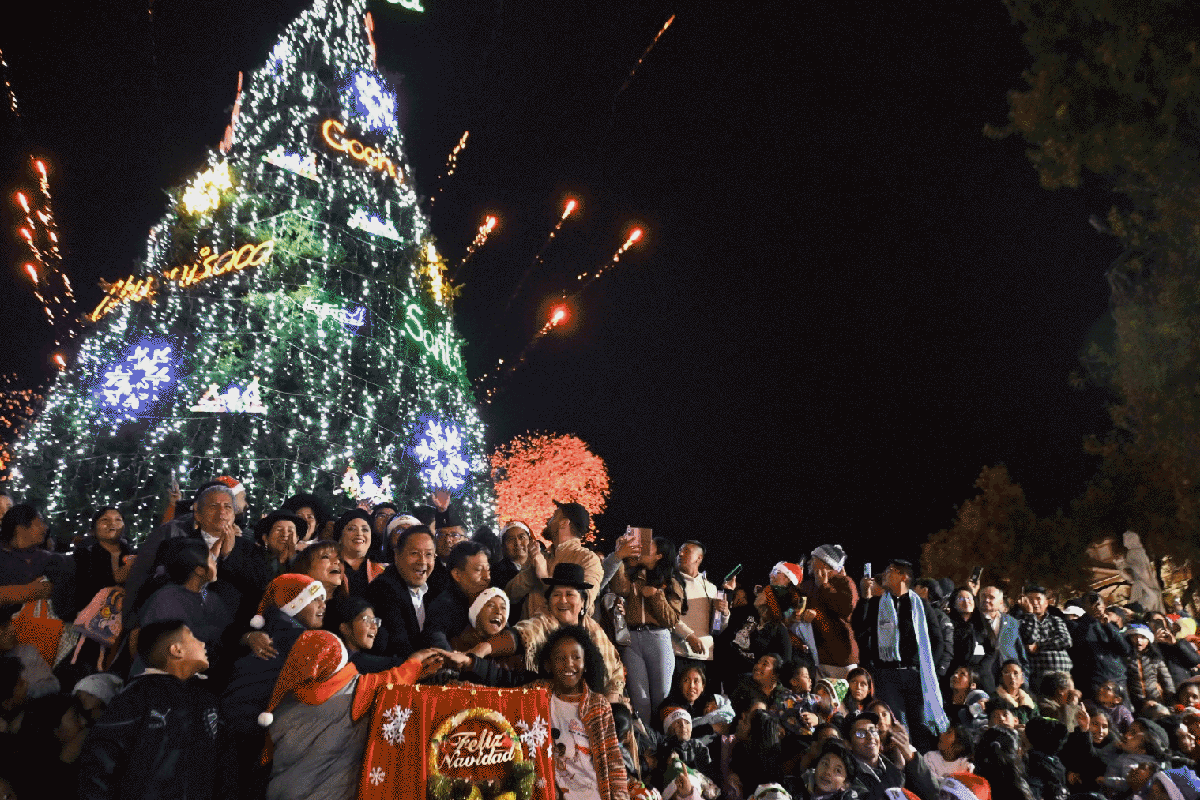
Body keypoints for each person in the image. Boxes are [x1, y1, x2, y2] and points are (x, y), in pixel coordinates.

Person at [258, 629, 445, 800]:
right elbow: (392, 680)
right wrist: (415, 662)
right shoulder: (354, 692)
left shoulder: (282, 700)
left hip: (280, 792)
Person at [77, 619, 233, 799]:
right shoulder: (136, 697)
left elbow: (225, 770)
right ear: (176, 650)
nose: (203, 643)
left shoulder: (208, 703)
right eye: (193, 638)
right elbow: (101, 763)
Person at [468, 563, 626, 698]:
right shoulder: (543, 621)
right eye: (557, 594)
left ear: (583, 601)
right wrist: (484, 648)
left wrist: (612, 698)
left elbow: (615, 667)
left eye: (570, 594)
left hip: (595, 703)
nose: (563, 600)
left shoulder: (595, 630)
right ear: (549, 601)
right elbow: (521, 635)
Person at [853, 559, 947, 753]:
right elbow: (860, 631)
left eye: (890, 571)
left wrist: (928, 670)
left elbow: (937, 640)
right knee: (893, 726)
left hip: (915, 676)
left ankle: (922, 766)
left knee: (920, 725)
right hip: (886, 675)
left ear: (903, 577)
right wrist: (864, 598)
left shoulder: (920, 605)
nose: (884, 575)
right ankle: (899, 767)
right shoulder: (878, 603)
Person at [535, 625, 629, 800]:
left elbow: (614, 761)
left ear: (586, 663)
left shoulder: (598, 705)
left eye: (576, 657)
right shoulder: (536, 694)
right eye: (560, 658)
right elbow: (501, 699)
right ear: (549, 664)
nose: (569, 663)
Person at [609, 535, 684, 724]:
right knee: (639, 698)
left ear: (659, 555)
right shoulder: (634, 576)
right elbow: (619, 588)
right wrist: (619, 556)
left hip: (658, 638)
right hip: (632, 639)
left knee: (661, 697)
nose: (642, 548)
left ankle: (662, 745)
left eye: (649, 546)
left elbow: (671, 619)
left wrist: (656, 595)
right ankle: (644, 746)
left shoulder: (671, 582)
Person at [135, 538, 234, 680]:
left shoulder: (210, 597)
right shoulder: (167, 598)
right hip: (162, 680)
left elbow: (227, 633)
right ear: (199, 570)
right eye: (211, 560)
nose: (216, 563)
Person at [505, 500, 603, 619]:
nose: (548, 521)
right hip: (529, 635)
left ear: (563, 523)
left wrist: (544, 576)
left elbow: (580, 605)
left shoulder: (588, 559)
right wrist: (532, 569)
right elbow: (510, 595)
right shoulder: (543, 557)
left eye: (553, 517)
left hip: (563, 637)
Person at [366, 525, 435, 659]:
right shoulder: (383, 589)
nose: (422, 561)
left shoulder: (433, 589)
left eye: (428, 554)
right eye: (414, 553)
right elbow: (399, 645)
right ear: (397, 555)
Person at [843, 710, 938, 800]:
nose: (870, 736)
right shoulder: (846, 777)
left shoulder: (897, 764)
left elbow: (933, 794)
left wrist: (912, 758)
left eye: (873, 730)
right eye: (861, 733)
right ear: (848, 744)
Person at [671, 539, 728, 677]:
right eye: (680, 551)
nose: (681, 554)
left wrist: (725, 613)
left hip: (704, 655)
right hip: (677, 652)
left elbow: (718, 627)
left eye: (686, 551)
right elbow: (668, 616)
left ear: (699, 558)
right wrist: (689, 636)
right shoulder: (671, 581)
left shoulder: (711, 587)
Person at [424, 540, 492, 650]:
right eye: (479, 570)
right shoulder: (442, 606)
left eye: (488, 569)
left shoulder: (490, 598)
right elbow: (436, 639)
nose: (487, 576)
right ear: (457, 574)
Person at [71, 506, 134, 618]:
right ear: (94, 529)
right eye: (105, 520)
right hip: (93, 619)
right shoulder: (84, 554)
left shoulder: (131, 553)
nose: (112, 523)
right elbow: (80, 591)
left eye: (118, 520)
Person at [807, 544, 859, 679]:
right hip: (820, 659)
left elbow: (845, 609)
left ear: (823, 562)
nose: (809, 562)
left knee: (844, 700)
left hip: (842, 660)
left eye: (813, 559)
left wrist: (824, 586)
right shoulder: (811, 585)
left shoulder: (844, 581)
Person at [1067, 590, 1130, 697]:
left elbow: (1125, 649)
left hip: (1117, 678)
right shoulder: (1075, 626)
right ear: (1084, 607)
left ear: (1104, 605)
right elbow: (1078, 647)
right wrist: (1091, 619)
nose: (1096, 606)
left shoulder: (1111, 626)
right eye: (1090, 603)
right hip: (1094, 680)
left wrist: (1108, 625)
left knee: (1124, 713)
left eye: (1098, 603)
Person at [1018, 585, 1073, 691]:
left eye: (1038, 599)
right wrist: (1029, 615)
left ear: (1046, 602)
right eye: (1030, 600)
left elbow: (1066, 641)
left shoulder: (1056, 620)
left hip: (1063, 673)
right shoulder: (1021, 622)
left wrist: (1039, 645)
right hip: (1040, 677)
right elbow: (1029, 640)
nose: (1034, 603)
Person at [975, 585, 1027, 693]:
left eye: (991, 597)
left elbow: (1020, 652)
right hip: (984, 678)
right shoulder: (973, 621)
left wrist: (1024, 681)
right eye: (983, 596)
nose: (986, 600)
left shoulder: (1012, 622)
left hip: (1009, 679)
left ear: (1001, 602)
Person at [334, 510, 385, 598]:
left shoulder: (383, 570)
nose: (359, 533)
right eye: (351, 529)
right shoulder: (326, 566)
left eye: (365, 529)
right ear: (340, 536)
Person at [1125, 623, 1175, 710]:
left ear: (1148, 640)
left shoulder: (1155, 658)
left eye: (1143, 637)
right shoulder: (1125, 659)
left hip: (1156, 700)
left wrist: (1171, 701)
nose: (1138, 640)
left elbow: (1167, 681)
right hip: (1135, 703)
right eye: (1135, 637)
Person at [254, 510, 305, 580]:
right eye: (279, 530)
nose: (285, 534)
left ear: (297, 538)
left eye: (290, 531)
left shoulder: (305, 563)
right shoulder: (254, 561)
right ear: (265, 538)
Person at [492, 522, 531, 610]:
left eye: (522, 537)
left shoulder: (543, 563)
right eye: (510, 539)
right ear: (503, 547)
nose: (517, 542)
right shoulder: (496, 572)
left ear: (530, 541)